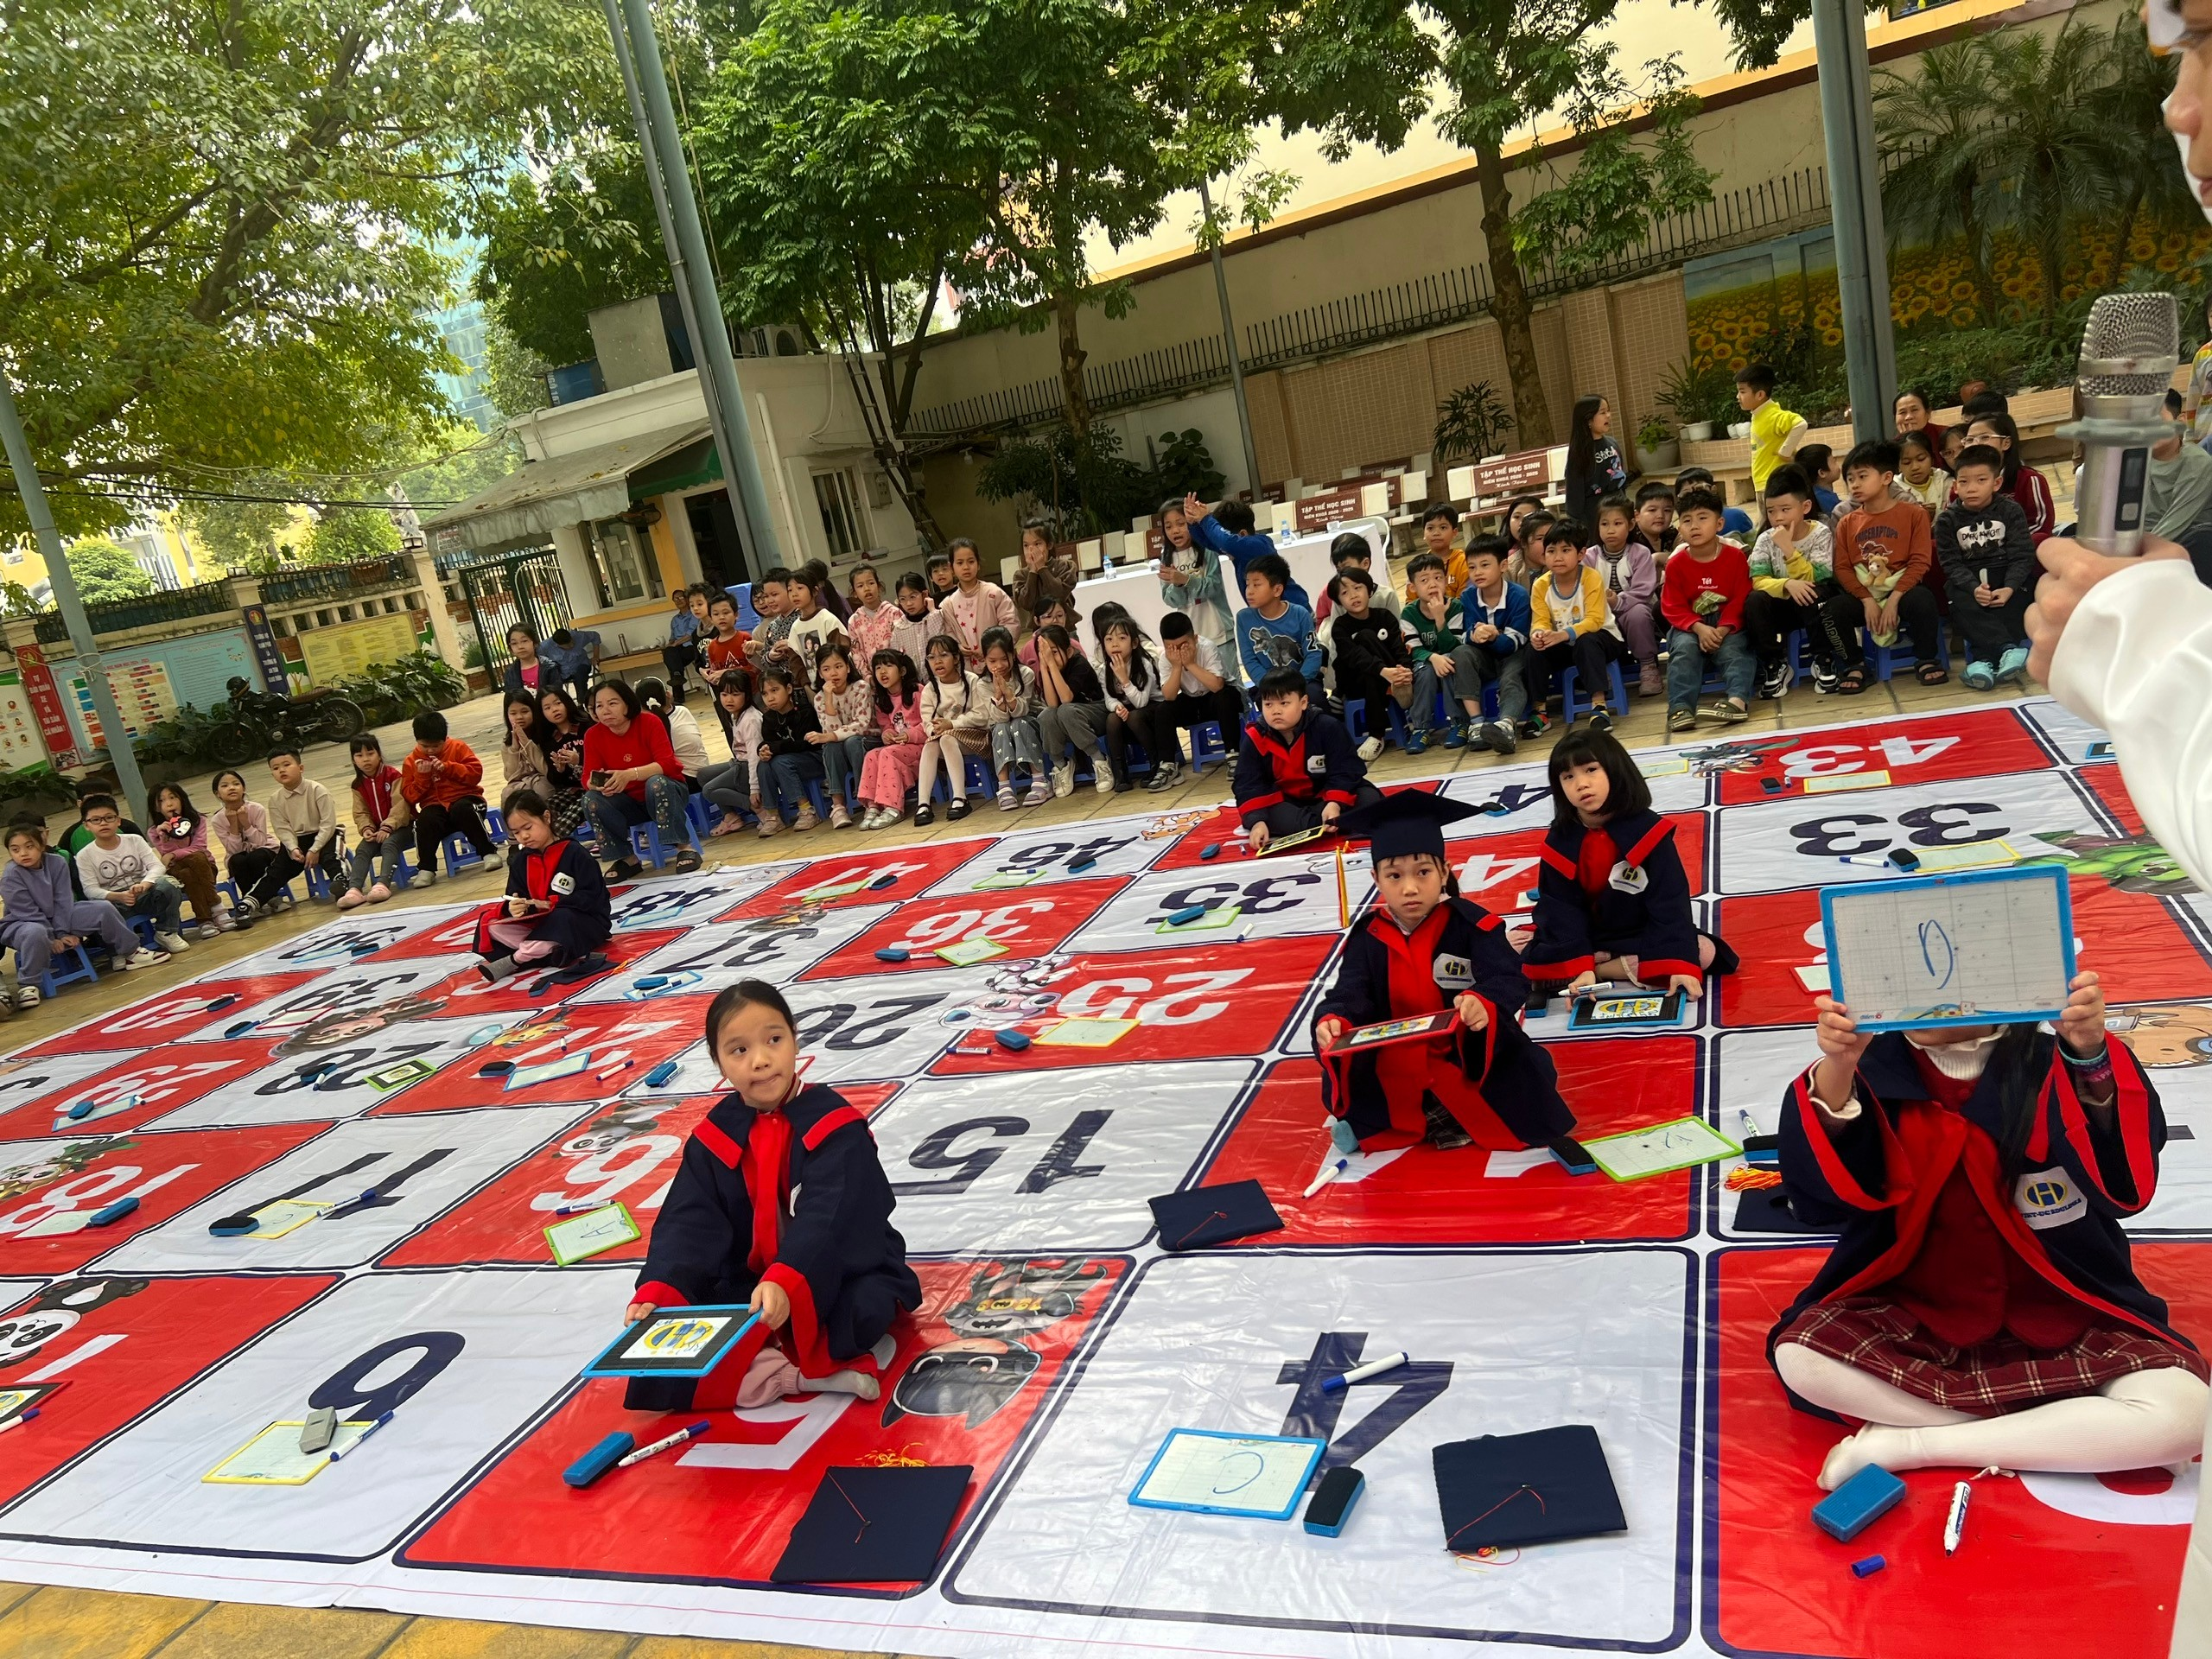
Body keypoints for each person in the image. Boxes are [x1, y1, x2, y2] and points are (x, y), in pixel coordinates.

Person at [1770, 970, 2207, 1491]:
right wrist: (1839, 1066)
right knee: (1803, 1357)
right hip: (1921, 1307)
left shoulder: (2053, 1061)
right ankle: (2060, 1430)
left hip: (2065, 1303)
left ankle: (1913, 1443)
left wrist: (2090, 1049)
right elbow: (1821, 1200)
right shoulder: (1871, 1071)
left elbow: (2123, 1185)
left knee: (2190, 1413)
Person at [623, 979, 918, 1411]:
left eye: (774, 1040)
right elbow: (690, 1218)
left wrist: (789, 1277)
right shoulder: (714, 1135)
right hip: (750, 1278)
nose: (760, 1061)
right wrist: (661, 1287)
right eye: (738, 1050)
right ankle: (794, 1377)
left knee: (861, 1307)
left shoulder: (834, 1125)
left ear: (795, 1043)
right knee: (673, 1341)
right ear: (719, 1063)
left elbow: (831, 1215)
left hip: (831, 1272)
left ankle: (769, 1368)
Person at [1313, 791, 1575, 1154]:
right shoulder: (1368, 935)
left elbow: (1507, 977)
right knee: (1366, 1082)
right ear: (1376, 878)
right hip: (1398, 1054)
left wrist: (1484, 1002)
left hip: (1464, 1051)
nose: (1409, 888)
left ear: (1444, 871)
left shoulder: (1473, 924)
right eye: (1394, 875)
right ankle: (1424, 1118)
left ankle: (1435, 1119)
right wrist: (1335, 1017)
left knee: (1520, 1084)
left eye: (1423, 872)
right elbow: (1352, 990)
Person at [1522, 728, 1737, 994]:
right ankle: (1591, 967)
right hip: (1586, 937)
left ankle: (1599, 969)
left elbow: (1669, 900)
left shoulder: (1648, 832)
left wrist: (1679, 963)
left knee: (1703, 952)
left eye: (1590, 770)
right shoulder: (1560, 839)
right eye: (1568, 776)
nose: (1581, 784)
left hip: (1637, 935)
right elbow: (1560, 907)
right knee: (1512, 942)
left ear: (1615, 769)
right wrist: (1580, 963)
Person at [2, 818, 163, 1001]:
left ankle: (131, 952)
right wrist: (52, 938)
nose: (23, 853)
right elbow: (27, 912)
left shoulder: (56, 862)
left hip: (60, 916)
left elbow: (63, 900)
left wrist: (62, 932)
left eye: (29, 847)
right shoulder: (11, 875)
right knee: (35, 931)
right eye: (15, 850)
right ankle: (29, 985)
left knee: (102, 908)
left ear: (41, 844)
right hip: (23, 924)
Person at [469, 789, 612, 982]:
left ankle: (516, 959)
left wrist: (553, 903)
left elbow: (594, 899)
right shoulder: (520, 861)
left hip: (581, 922)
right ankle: (542, 950)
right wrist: (514, 908)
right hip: (541, 927)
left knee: (562, 918)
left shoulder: (574, 853)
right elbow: (513, 895)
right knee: (490, 922)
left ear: (546, 817)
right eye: (516, 832)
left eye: (528, 827)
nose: (524, 836)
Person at [1233, 666, 1379, 852]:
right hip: (1287, 804)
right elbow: (1247, 783)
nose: (1275, 711)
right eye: (1268, 704)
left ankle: (1327, 820)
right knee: (1269, 817)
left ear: (1303, 702)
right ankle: (1331, 823)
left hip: (1326, 795)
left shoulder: (1328, 727)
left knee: (1369, 800)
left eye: (1284, 703)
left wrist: (1335, 802)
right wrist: (1257, 822)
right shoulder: (1255, 737)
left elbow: (1347, 769)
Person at [1836, 438, 1945, 686]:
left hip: (1901, 589)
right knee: (1834, 609)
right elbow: (1842, 567)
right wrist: (1866, 600)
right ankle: (1856, 665)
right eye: (1850, 478)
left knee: (1923, 599)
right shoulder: (1846, 522)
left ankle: (1926, 659)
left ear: (1886, 478)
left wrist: (1894, 599)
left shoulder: (1914, 514)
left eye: (1862, 476)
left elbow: (1920, 562)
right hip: (1865, 591)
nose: (1855, 484)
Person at [1936, 443, 2035, 690]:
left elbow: (2022, 555)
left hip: (2005, 576)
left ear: (1997, 482)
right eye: (1964, 482)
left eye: (1981, 480)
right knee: (1958, 597)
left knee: (2016, 593)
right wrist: (1973, 588)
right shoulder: (1948, 520)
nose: (1971, 488)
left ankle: (1982, 662)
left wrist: (2010, 587)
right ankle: (2007, 650)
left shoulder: (2010, 510)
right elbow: (1950, 563)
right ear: (1955, 485)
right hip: (1969, 581)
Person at [1745, 466, 1846, 698]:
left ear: (1805, 507)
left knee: (1815, 591)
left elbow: (1820, 576)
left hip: (1813, 605)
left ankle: (1823, 658)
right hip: (1783, 606)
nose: (1777, 517)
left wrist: (1789, 551)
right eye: (1771, 511)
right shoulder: (1765, 539)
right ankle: (1775, 664)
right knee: (1754, 601)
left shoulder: (1819, 532)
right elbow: (1758, 581)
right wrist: (1786, 585)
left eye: (1785, 509)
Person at [1659, 484, 1755, 728]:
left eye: (1703, 518)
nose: (1695, 526)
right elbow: (1672, 605)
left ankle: (1736, 702)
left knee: (1736, 650)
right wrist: (1699, 628)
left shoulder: (1734, 557)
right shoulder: (1676, 564)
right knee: (1683, 651)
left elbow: (1741, 597)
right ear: (1680, 528)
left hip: (1727, 623)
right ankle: (1680, 708)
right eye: (1687, 520)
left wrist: (1723, 629)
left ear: (1720, 524)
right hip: (1690, 626)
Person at [582, 680, 696, 878]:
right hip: (628, 802)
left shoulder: (649, 722)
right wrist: (600, 786)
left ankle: (684, 847)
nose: (605, 710)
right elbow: (587, 778)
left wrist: (630, 774)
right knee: (591, 799)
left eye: (612, 703)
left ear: (627, 703)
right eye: (599, 706)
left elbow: (668, 764)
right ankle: (627, 859)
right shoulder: (593, 735)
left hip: (666, 793)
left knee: (657, 782)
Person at [1526, 519, 1623, 731]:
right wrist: (1539, 633)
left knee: (1586, 641)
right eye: (1551, 551)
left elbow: (1595, 620)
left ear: (1580, 554)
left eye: (1565, 550)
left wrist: (1563, 634)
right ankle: (1540, 712)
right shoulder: (1541, 585)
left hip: (1604, 638)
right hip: (1565, 643)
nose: (1557, 557)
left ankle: (1599, 706)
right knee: (1534, 648)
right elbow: (1540, 619)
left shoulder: (1591, 577)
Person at [73, 794, 191, 955]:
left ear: (118, 820)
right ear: (86, 825)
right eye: (96, 820)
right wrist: (118, 896)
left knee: (168, 884)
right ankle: (118, 952)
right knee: (101, 908)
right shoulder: (84, 855)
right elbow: (90, 889)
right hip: (116, 903)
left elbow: (156, 866)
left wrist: (145, 884)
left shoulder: (134, 840)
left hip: (143, 893)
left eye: (109, 818)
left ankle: (166, 932)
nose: (103, 823)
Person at [1320, 569, 1412, 760]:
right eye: (1345, 593)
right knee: (1365, 639)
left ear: (1369, 591)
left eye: (1357, 588)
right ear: (1339, 601)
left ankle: (1377, 735)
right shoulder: (1340, 626)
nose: (1353, 595)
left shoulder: (1385, 617)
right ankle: (1384, 726)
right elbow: (1353, 656)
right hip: (1354, 681)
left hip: (1385, 677)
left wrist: (1404, 669)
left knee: (1373, 676)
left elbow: (1398, 646)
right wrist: (1383, 670)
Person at [398, 711, 497, 881]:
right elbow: (409, 796)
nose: (430, 751)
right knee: (425, 820)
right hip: (436, 808)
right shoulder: (411, 761)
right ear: (417, 741)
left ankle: (488, 852)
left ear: (444, 739)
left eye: (436, 746)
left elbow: (475, 774)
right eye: (424, 746)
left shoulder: (458, 747)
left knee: (462, 809)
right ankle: (426, 868)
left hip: (467, 800)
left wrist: (448, 768)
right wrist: (422, 778)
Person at [1586, 494, 1661, 697]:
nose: (1610, 530)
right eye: (1604, 524)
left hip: (1633, 609)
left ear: (1630, 525)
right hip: (1600, 613)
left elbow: (1644, 591)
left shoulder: (1640, 553)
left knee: (1638, 614)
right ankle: (1602, 672)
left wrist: (1618, 601)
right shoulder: (1589, 556)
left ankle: (1647, 666)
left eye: (1617, 523)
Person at [1184, 493, 1311, 609]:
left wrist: (1206, 519)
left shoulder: (1259, 545)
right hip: (1268, 615)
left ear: (1243, 534)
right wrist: (1193, 523)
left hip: (1294, 609)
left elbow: (1227, 542)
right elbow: (1209, 542)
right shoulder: (1238, 550)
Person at [914, 634, 992, 824]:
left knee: (947, 739)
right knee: (932, 743)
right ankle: (923, 804)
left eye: (943, 655)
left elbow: (983, 715)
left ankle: (960, 798)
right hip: (944, 739)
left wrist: (952, 724)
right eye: (931, 657)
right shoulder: (930, 689)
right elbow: (927, 722)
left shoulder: (972, 680)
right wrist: (936, 729)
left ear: (956, 658)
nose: (937, 661)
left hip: (977, 737)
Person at [1099, 613, 1181, 793]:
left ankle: (1156, 763)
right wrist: (1117, 707)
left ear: (1134, 643)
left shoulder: (1143, 664)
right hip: (1128, 708)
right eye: (1109, 639)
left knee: (1135, 717)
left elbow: (1142, 701)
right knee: (1112, 719)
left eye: (1121, 638)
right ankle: (1120, 772)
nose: (1115, 644)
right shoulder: (1104, 669)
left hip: (1152, 708)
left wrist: (1124, 679)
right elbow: (1109, 697)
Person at [336, 734, 414, 909]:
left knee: (389, 844)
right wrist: (367, 829)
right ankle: (354, 890)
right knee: (362, 849)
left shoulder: (393, 776)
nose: (365, 759)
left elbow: (400, 807)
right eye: (359, 755)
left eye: (370, 753)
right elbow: (360, 812)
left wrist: (387, 827)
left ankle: (383, 884)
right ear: (354, 760)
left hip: (403, 827)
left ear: (379, 754)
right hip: (377, 830)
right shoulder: (358, 785)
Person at [1233, 550, 1322, 700]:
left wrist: (1298, 684)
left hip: (1302, 681)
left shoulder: (1300, 614)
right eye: (1248, 584)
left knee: (1315, 698)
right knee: (1268, 705)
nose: (1249, 591)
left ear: (1277, 589)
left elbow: (1313, 653)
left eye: (1256, 585)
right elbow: (1249, 660)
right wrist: (1269, 685)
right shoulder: (1244, 618)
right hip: (1267, 685)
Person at [209, 767, 299, 914]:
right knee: (237, 860)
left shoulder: (256, 809)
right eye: (224, 786)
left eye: (236, 784)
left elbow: (260, 842)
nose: (231, 788)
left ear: (243, 788)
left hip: (265, 851)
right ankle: (249, 902)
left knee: (257, 856)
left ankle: (274, 898)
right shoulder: (217, 819)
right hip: (239, 855)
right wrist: (233, 826)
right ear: (217, 794)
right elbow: (234, 850)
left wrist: (246, 823)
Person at [147, 782, 232, 937]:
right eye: (161, 800)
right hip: (178, 874)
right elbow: (167, 857)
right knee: (186, 872)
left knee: (196, 859)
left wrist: (173, 854)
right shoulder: (155, 831)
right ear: (156, 807)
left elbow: (199, 847)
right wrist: (164, 837)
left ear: (182, 799)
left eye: (173, 797)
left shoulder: (197, 820)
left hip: (205, 867)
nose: (169, 803)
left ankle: (205, 919)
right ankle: (217, 910)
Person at [856, 650, 928, 830]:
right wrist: (886, 734)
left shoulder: (918, 691)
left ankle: (893, 807)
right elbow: (886, 726)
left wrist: (909, 735)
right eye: (878, 668)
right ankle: (873, 807)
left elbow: (929, 723)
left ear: (902, 671)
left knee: (887, 753)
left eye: (889, 666)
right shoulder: (882, 700)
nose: (883, 672)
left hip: (921, 748)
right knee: (872, 755)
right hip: (898, 750)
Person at [1035, 622, 1108, 798]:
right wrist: (1045, 667)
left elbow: (1066, 698)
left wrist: (1051, 665)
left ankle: (1100, 760)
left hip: (1095, 711)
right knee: (1046, 715)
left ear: (1068, 651)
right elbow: (1052, 704)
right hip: (1067, 719)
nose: (1048, 657)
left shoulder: (1079, 664)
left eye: (1053, 651)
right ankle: (1061, 766)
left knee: (1066, 710)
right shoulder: (1046, 670)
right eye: (1044, 653)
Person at [976, 627, 1047, 809]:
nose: (999, 665)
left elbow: (1021, 711)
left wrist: (1008, 694)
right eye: (992, 661)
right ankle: (1004, 787)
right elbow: (998, 719)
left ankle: (1039, 779)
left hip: (1030, 720)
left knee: (1018, 723)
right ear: (984, 659)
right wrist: (998, 698)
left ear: (1013, 654)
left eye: (1003, 659)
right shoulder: (983, 684)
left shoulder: (1025, 674)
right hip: (1003, 726)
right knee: (1000, 729)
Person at [1962, 412, 2056, 546]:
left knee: (2040, 540)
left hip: (2018, 551)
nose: (1976, 444)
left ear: (2006, 443)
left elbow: (2041, 525)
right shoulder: (1961, 484)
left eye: (1984, 437)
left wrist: (2004, 545)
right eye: (1970, 440)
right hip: (1974, 551)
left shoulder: (2029, 479)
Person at [754, 665, 826, 837]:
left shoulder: (804, 711)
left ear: (788, 689)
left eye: (774, 690)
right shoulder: (770, 717)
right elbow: (768, 742)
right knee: (764, 765)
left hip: (814, 758)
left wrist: (776, 747)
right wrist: (762, 750)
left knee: (780, 761)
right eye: (765, 694)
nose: (770, 698)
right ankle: (772, 816)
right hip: (788, 763)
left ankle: (807, 811)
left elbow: (805, 744)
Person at [810, 643, 874, 826]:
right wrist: (829, 700)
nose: (833, 673)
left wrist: (830, 736)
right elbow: (830, 733)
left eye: (838, 666)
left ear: (847, 667)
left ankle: (868, 800)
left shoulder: (861, 687)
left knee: (852, 742)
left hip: (868, 739)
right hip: (842, 746)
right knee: (831, 745)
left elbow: (862, 725)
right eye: (827, 669)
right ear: (820, 673)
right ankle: (838, 806)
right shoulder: (820, 698)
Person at [1155, 496, 1233, 645]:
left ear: (1190, 523)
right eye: (1168, 526)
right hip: (1190, 638)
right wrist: (1177, 585)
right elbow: (1172, 601)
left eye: (1181, 523)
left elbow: (1214, 586)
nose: (1175, 531)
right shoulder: (1166, 558)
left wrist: (1185, 580)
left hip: (1219, 632)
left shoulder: (1207, 550)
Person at [268, 747, 341, 899]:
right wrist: (293, 848)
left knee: (330, 857)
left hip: (325, 836)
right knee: (278, 869)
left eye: (287, 765)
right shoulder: (275, 800)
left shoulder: (317, 790)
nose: (282, 770)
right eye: (276, 768)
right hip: (298, 840)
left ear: (301, 768)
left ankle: (343, 883)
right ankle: (250, 903)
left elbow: (328, 824)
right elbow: (283, 829)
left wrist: (315, 849)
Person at [698, 671, 765, 836]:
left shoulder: (751, 719)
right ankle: (731, 817)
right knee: (703, 774)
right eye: (724, 694)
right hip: (739, 763)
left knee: (709, 791)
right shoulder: (736, 715)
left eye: (735, 694)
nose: (729, 699)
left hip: (749, 768)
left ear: (747, 695)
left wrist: (755, 788)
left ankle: (757, 808)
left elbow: (755, 757)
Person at [939, 538, 1021, 666]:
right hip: (967, 669)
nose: (966, 567)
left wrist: (993, 649)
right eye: (960, 563)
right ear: (951, 568)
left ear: (978, 564)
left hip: (999, 663)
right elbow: (948, 634)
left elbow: (1011, 623)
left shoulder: (993, 593)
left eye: (971, 561)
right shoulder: (948, 605)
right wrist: (957, 647)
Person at [2147, 389, 2212, 541]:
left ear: (2180, 421)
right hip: (2139, 542)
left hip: (2182, 544)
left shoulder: (2197, 464)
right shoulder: (2134, 460)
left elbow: (2172, 527)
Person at [1560, 394, 1632, 525]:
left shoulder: (1613, 444)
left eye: (1608, 411)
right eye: (1603, 412)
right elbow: (1574, 495)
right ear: (1588, 419)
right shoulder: (1579, 453)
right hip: (1593, 517)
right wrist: (1578, 524)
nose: (1608, 416)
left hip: (1619, 510)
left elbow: (1621, 480)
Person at [1738, 363, 1808, 496]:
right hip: (1763, 483)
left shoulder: (1772, 415)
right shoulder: (1758, 414)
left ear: (1760, 395)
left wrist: (1785, 452)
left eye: (1742, 392)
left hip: (1774, 484)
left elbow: (1800, 424)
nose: (1738, 396)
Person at [537, 684, 592, 840]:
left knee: (571, 814)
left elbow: (603, 759)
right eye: (547, 708)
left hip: (593, 786)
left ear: (567, 702)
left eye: (557, 703)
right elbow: (555, 779)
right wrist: (559, 770)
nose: (554, 710)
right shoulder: (549, 740)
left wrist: (579, 760)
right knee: (545, 809)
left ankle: (551, 841)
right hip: (572, 789)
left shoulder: (586, 726)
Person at [699, 591, 752, 749]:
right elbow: (715, 673)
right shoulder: (712, 646)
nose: (721, 617)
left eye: (726, 612)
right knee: (734, 734)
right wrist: (710, 675)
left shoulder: (745, 638)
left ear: (736, 615)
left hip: (749, 696)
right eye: (716, 614)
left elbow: (754, 669)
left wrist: (726, 672)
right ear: (711, 618)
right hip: (729, 702)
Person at [637, 677, 709, 785]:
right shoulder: (682, 710)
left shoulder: (649, 725)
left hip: (686, 779)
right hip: (704, 772)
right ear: (668, 694)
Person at [779, 569, 848, 682]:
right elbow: (795, 661)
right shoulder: (796, 627)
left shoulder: (827, 619)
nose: (794, 594)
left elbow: (840, 651)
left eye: (800, 588)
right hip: (813, 687)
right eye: (790, 590)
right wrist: (806, 686)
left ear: (815, 591)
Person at [1012, 520, 1077, 629]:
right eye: (1026, 546)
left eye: (1037, 544)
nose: (1031, 550)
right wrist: (1033, 572)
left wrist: (1042, 568)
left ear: (1049, 544)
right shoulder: (1021, 575)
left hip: (1066, 628)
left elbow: (1058, 595)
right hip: (1039, 630)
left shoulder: (1064, 566)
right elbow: (1026, 604)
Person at [1677, 466, 1755, 540]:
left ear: (1713, 489)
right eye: (1687, 494)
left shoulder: (1736, 516)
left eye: (1700, 489)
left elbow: (1753, 547)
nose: (1695, 496)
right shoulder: (1684, 527)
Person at [844, 563, 899, 665]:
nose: (867, 589)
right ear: (854, 592)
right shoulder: (854, 621)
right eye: (860, 586)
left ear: (878, 586)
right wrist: (868, 677)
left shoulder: (894, 613)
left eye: (871, 583)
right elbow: (856, 655)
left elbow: (902, 646)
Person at [888, 570, 942, 668]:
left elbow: (941, 644)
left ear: (924, 594)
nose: (908, 603)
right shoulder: (899, 627)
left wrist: (932, 612)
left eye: (913, 597)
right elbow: (898, 660)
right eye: (903, 599)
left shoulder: (936, 616)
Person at [1414, 505, 1469, 601]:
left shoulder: (1463, 562)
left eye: (1443, 528)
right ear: (1424, 533)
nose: (1436, 533)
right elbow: (1411, 601)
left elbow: (1465, 598)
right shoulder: (1418, 565)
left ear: (1455, 532)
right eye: (1430, 528)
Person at [1892, 429, 1950, 517]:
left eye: (1921, 459)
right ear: (1898, 466)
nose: (1915, 467)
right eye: (1907, 462)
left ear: (1932, 459)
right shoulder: (1892, 491)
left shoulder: (1947, 483)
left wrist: (1936, 514)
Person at [662, 585, 705, 702]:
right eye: (675, 599)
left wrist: (675, 644)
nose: (678, 601)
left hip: (691, 647)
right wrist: (670, 644)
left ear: (686, 599)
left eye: (681, 598)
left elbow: (691, 635)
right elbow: (672, 638)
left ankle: (678, 694)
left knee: (674, 659)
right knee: (670, 654)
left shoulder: (694, 615)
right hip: (678, 649)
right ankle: (677, 676)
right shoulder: (675, 619)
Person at [746, 568, 797, 668]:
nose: (769, 601)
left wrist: (793, 646)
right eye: (767, 596)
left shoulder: (804, 617)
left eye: (774, 595)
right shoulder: (773, 626)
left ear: (790, 591)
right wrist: (771, 656)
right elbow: (765, 664)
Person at [540, 626, 601, 702]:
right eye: (568, 645)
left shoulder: (578, 636)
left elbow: (595, 636)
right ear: (558, 645)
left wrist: (596, 656)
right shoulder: (546, 646)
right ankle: (561, 703)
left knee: (580, 678)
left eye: (572, 642)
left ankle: (581, 703)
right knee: (553, 682)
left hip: (581, 665)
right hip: (562, 671)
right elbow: (537, 655)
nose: (572, 646)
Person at [1892, 387, 1948, 455]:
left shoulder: (1946, 435)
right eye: (1902, 412)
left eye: (1914, 410)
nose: (1909, 417)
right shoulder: (1892, 449)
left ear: (1928, 412)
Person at [1796, 443, 1842, 522]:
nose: (1838, 465)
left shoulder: (1809, 494)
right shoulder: (1827, 501)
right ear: (1822, 473)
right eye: (1834, 462)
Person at [503, 624, 550, 699]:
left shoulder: (549, 667)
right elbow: (511, 700)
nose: (520, 647)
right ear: (510, 648)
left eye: (524, 641)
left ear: (535, 643)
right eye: (514, 643)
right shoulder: (510, 673)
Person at [1634, 481, 1680, 558]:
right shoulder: (1629, 539)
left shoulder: (1672, 535)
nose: (1660, 516)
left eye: (1667, 510)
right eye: (1652, 510)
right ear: (1637, 515)